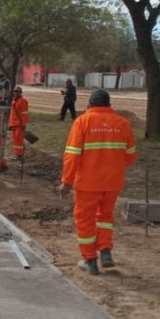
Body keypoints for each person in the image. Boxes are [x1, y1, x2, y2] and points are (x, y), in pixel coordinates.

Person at [57, 89, 137, 275]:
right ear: (109, 105)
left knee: (85, 220)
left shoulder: (82, 122)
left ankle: (90, 260)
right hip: (113, 182)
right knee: (105, 217)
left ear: (89, 105)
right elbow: (131, 157)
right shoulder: (123, 123)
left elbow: (72, 155)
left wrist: (66, 182)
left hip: (88, 183)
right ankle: (106, 250)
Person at [8, 86, 30, 158]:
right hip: (14, 124)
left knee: (18, 140)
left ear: (20, 92)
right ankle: (17, 154)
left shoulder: (23, 101)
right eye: (15, 91)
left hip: (19, 124)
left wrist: (24, 124)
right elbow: (12, 114)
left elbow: (25, 114)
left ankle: (19, 155)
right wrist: (10, 124)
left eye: (17, 91)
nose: (15, 92)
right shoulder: (14, 101)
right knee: (15, 140)